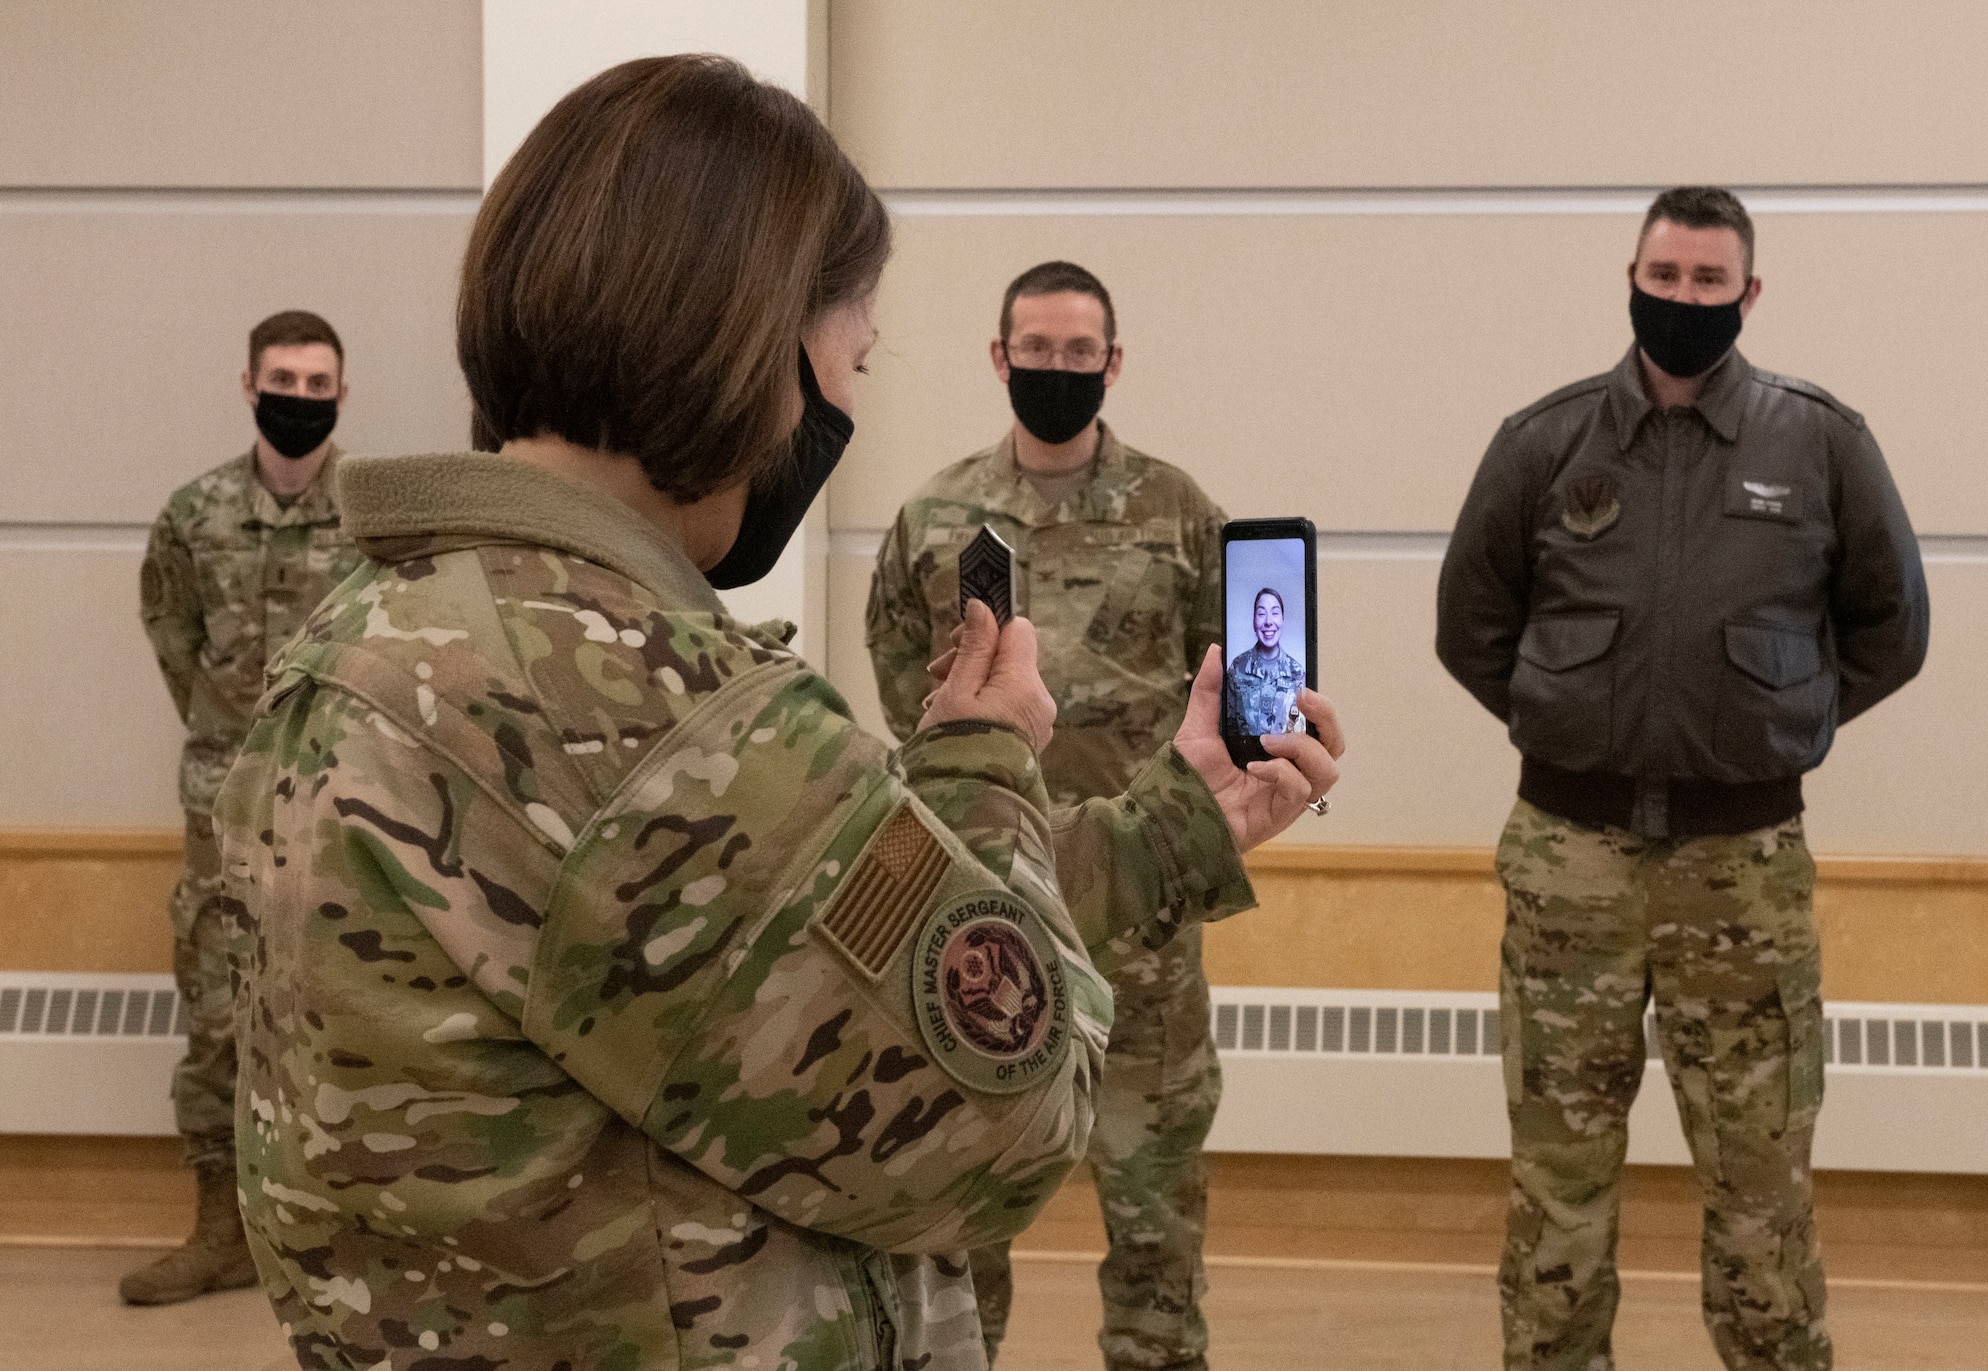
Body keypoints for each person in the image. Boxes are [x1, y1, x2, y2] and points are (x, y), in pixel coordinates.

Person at [214, 57, 1342, 1371]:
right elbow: (1004, 1111)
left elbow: (790, 953)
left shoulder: (379, 632)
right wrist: (982, 761)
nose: (851, 403)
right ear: (752, 353)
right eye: (853, 357)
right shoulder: (639, 706)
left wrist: (1160, 829)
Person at [1436, 186, 1928, 1371]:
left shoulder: (1819, 444)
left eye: (1709, 282)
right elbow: (1470, 628)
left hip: (1740, 876)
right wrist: (1572, 725)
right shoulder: (1543, 441)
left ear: (1748, 294)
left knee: (1759, 1192)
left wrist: (1773, 726)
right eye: (1664, 276)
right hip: (1570, 867)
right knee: (1557, 1187)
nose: (1683, 299)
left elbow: (1888, 630)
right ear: (1630, 276)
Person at [869, 260, 1234, 1370]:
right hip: (983, 915)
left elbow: (1230, 680)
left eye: (1080, 355)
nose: (1057, 371)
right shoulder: (937, 516)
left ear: (1111, 365)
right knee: (966, 1213)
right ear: (999, 358)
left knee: (1153, 1215)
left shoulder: (1178, 515)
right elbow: (902, 677)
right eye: (1037, 351)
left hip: (1139, 927)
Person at [127, 309, 361, 1306]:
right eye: (283, 380)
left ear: (341, 395)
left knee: (349, 1017)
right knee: (220, 1018)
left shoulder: (374, 514)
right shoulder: (196, 513)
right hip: (225, 807)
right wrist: (232, 743)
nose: (297, 400)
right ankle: (220, 1233)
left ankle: (339, 1251)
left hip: (346, 808)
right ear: (247, 384)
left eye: (317, 385)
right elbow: (173, 638)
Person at [1224, 588, 1306, 740]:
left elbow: (1300, 732)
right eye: (1261, 614)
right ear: (1253, 620)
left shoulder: (1297, 673)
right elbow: (1228, 726)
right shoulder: (1237, 668)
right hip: (1243, 761)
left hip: (1286, 762)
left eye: (1275, 613)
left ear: (1283, 619)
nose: (1268, 621)